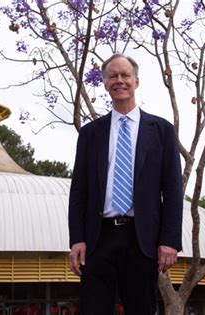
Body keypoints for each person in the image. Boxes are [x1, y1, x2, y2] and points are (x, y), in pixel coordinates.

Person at [68, 53, 183, 315]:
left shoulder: (162, 130)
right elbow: (79, 191)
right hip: (99, 238)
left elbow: (173, 190)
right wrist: (77, 239)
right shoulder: (90, 133)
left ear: (136, 81)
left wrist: (169, 240)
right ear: (106, 84)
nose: (119, 80)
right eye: (112, 76)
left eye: (125, 75)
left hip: (142, 238)